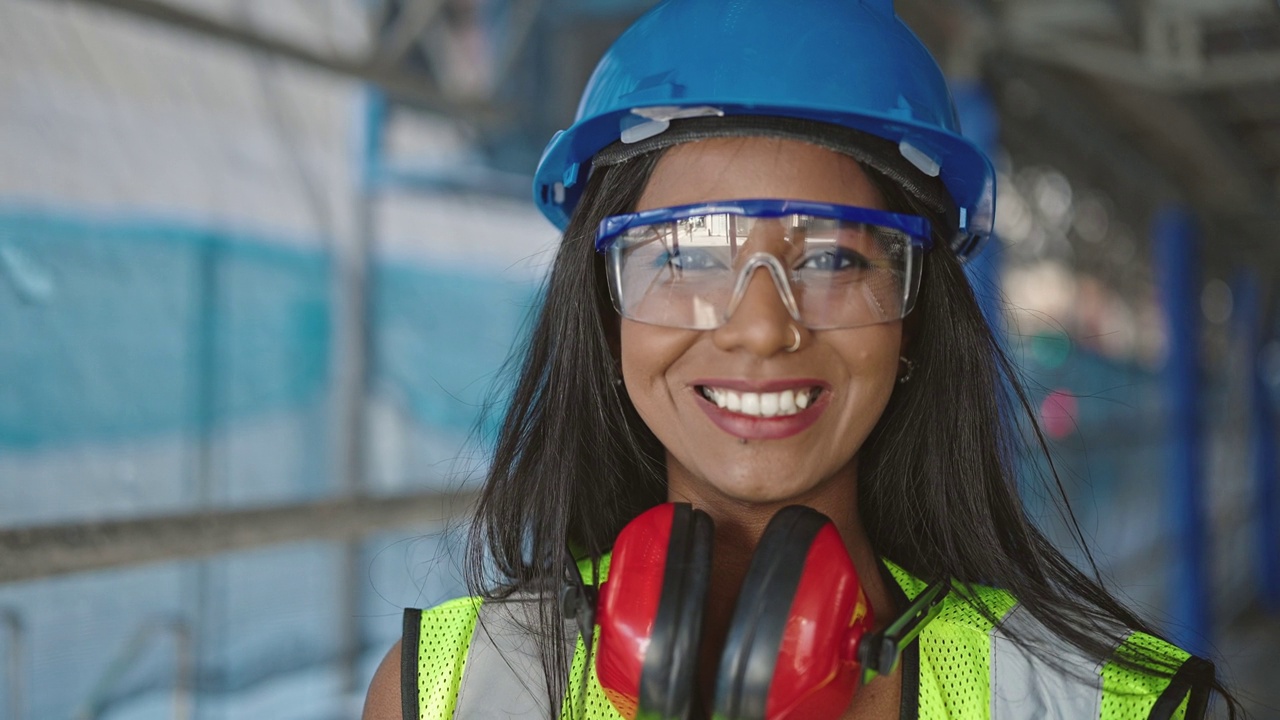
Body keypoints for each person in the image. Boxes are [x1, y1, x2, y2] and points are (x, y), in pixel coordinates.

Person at [364, 0, 1237, 718]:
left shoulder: (1105, 704)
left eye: (831, 259)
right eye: (683, 255)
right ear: (604, 311)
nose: (760, 329)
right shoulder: (445, 691)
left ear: (915, 321)